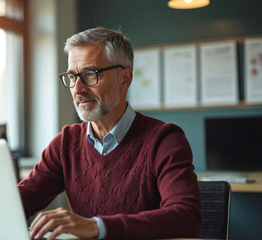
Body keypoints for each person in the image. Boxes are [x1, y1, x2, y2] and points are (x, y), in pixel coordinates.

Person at [18, 27, 202, 240]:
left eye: (90, 74)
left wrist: (98, 227)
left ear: (125, 78)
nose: (78, 89)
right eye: (72, 76)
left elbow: (186, 217)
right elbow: (23, 199)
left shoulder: (164, 140)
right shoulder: (64, 143)